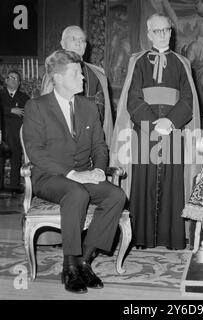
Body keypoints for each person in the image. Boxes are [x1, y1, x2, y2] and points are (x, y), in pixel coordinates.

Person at [23, 50, 126, 294]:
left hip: (83, 175)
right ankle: (69, 266)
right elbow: (35, 153)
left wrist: (100, 170)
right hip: (49, 177)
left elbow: (100, 146)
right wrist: (72, 174)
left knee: (116, 196)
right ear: (58, 77)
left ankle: (84, 261)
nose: (83, 77)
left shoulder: (89, 107)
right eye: (76, 73)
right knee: (77, 193)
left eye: (81, 72)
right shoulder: (36, 106)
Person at [110, 14, 201, 250]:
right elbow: (133, 98)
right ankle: (142, 237)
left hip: (174, 131)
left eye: (167, 30)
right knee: (144, 181)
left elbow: (188, 99)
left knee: (172, 182)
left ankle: (172, 237)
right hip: (144, 132)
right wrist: (152, 124)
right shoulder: (137, 61)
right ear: (149, 34)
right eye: (157, 31)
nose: (163, 35)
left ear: (171, 32)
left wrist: (170, 123)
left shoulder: (182, 62)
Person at [40, 25, 113, 147]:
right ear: (63, 43)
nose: (79, 43)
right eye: (73, 39)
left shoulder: (98, 74)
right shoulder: (54, 72)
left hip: (91, 141)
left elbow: (103, 113)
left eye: (82, 40)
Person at [0, 70, 29, 193]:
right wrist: (11, 110)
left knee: (16, 160)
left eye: (16, 78)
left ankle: (14, 187)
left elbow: (25, 113)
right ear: (6, 80)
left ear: (19, 83)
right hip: (1, 132)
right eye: (10, 77)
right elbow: (15, 111)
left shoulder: (24, 97)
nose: (13, 80)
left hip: (16, 134)